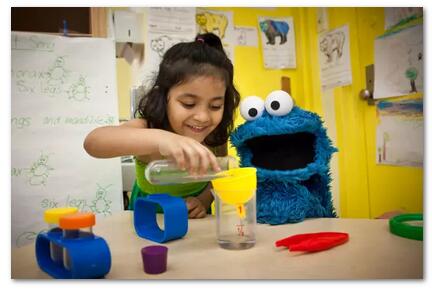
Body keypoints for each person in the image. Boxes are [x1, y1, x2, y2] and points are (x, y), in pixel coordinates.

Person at [84, 33, 240, 218]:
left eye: (215, 106)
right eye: (189, 104)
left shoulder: (214, 137)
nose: (203, 117)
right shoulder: (147, 128)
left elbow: (217, 177)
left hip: (195, 229)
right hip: (146, 225)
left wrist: (203, 200)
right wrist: (162, 138)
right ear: (164, 98)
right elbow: (93, 142)